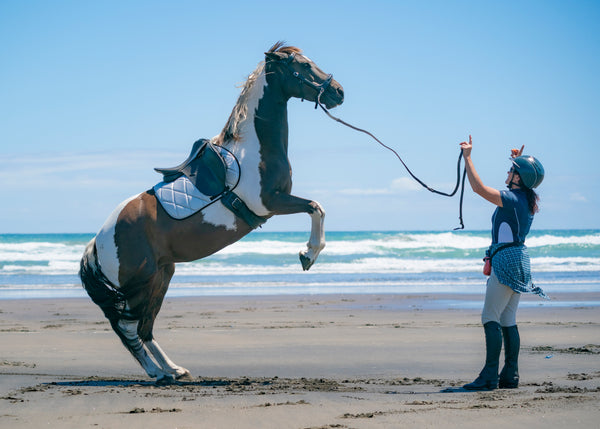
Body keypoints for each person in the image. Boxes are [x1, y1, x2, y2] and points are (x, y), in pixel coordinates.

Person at [459, 135, 547, 391]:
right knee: (508, 318)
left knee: (490, 316)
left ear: (518, 178)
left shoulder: (511, 199)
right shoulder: (525, 200)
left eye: (512, 170)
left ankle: (489, 376)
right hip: (519, 260)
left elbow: (478, 188)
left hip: (506, 261)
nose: (508, 172)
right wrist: (517, 158)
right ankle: (510, 375)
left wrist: (468, 157)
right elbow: (524, 177)